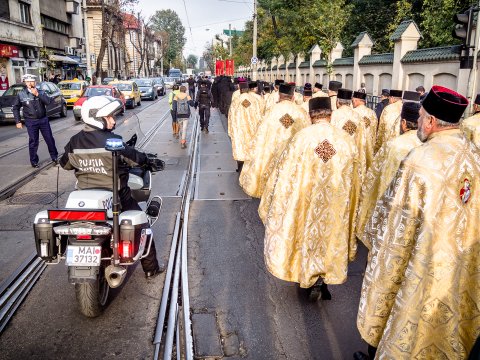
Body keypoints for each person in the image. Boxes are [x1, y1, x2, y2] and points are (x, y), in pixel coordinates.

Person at [355, 86, 480, 359]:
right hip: (464, 262)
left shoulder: (419, 161)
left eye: (421, 116)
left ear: (432, 121)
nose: (418, 122)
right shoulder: (475, 157)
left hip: (425, 264)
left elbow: (393, 222)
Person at [259, 96, 359, 300]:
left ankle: (308, 277)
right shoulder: (346, 140)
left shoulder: (301, 138)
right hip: (335, 202)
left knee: (307, 236)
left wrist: (276, 199)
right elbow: (356, 178)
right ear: (330, 114)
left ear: (310, 115)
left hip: (306, 198)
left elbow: (284, 173)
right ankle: (323, 280)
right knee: (329, 240)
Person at [59, 96, 164, 278]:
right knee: (144, 226)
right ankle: (151, 269)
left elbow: (65, 164)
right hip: (116, 196)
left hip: (85, 196)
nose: (113, 120)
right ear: (96, 118)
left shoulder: (74, 142)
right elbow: (135, 158)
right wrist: (148, 161)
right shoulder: (113, 141)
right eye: (109, 117)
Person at [355, 102, 422, 248]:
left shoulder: (393, 145)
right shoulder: (427, 146)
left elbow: (372, 178)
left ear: (403, 123)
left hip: (392, 210)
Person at [239, 83, 310, 198]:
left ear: (279, 96)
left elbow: (260, 133)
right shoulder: (301, 112)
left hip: (273, 152)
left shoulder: (271, 111)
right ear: (292, 97)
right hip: (294, 153)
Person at [12, 74, 58, 168]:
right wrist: (18, 121)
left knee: (49, 139)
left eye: (32, 81)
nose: (30, 83)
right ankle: (34, 161)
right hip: (31, 121)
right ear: (25, 83)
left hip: (43, 120)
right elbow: (15, 108)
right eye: (28, 81)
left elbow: (49, 101)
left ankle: (54, 157)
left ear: (35, 82)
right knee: (33, 141)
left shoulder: (41, 92)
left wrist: (37, 94)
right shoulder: (21, 94)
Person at [331, 88, 369, 185]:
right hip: (354, 155)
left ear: (337, 101)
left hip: (338, 157)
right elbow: (363, 140)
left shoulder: (334, 115)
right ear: (350, 102)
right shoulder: (358, 117)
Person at [227, 82, 263, 173]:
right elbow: (260, 114)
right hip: (253, 129)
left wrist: (231, 130)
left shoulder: (236, 101)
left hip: (239, 130)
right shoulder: (255, 100)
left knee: (240, 149)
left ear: (240, 90)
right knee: (251, 149)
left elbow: (230, 116)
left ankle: (240, 167)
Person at [352, 91, 377, 168]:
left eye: (353, 101)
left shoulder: (353, 113)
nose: (352, 103)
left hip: (358, 144)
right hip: (369, 144)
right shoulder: (372, 113)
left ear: (356, 100)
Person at [374, 89, 403, 153]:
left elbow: (382, 127)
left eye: (389, 98)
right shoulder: (404, 107)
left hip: (389, 143)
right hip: (402, 143)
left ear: (392, 98)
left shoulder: (388, 109)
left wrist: (378, 146)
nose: (389, 101)